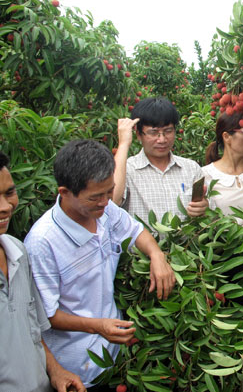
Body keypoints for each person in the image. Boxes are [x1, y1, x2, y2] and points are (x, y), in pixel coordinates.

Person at [24, 140, 176, 388]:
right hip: (76, 369)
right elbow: (47, 315)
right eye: (96, 197)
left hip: (114, 356)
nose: (106, 201)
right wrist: (97, 327)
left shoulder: (104, 212)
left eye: (109, 192)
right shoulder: (43, 243)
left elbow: (135, 230)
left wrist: (157, 256)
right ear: (64, 193)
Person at [0, 151, 86, 392]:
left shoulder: (16, 251)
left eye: (9, 193)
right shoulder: (40, 240)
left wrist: (55, 370)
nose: (6, 207)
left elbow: (32, 329)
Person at [112, 97, 208, 223]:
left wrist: (204, 207)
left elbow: (208, 211)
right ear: (139, 135)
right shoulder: (127, 169)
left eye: (168, 131)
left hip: (186, 243)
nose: (162, 140)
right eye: (153, 132)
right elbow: (113, 201)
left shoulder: (191, 168)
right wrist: (123, 144)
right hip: (140, 243)